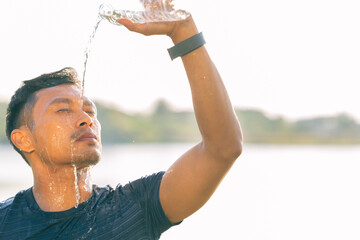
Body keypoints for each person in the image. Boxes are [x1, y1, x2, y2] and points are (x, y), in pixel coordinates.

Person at [0, 13, 242, 239]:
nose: (86, 119)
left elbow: (222, 148)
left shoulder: (136, 207)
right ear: (24, 139)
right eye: (63, 110)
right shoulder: (4, 222)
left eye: (90, 110)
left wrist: (183, 29)